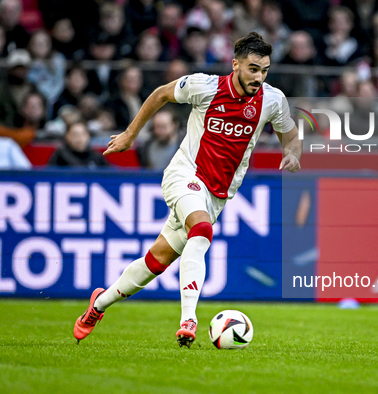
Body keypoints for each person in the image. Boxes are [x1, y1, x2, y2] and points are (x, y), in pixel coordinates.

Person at [73, 32, 301, 347]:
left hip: (218, 194)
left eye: (264, 70)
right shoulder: (204, 87)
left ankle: (98, 305)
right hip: (184, 174)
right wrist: (129, 135)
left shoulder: (272, 100)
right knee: (202, 231)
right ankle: (188, 320)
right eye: (252, 69)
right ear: (235, 64)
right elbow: (160, 94)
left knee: (157, 260)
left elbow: (290, 135)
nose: (259, 77)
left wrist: (292, 152)